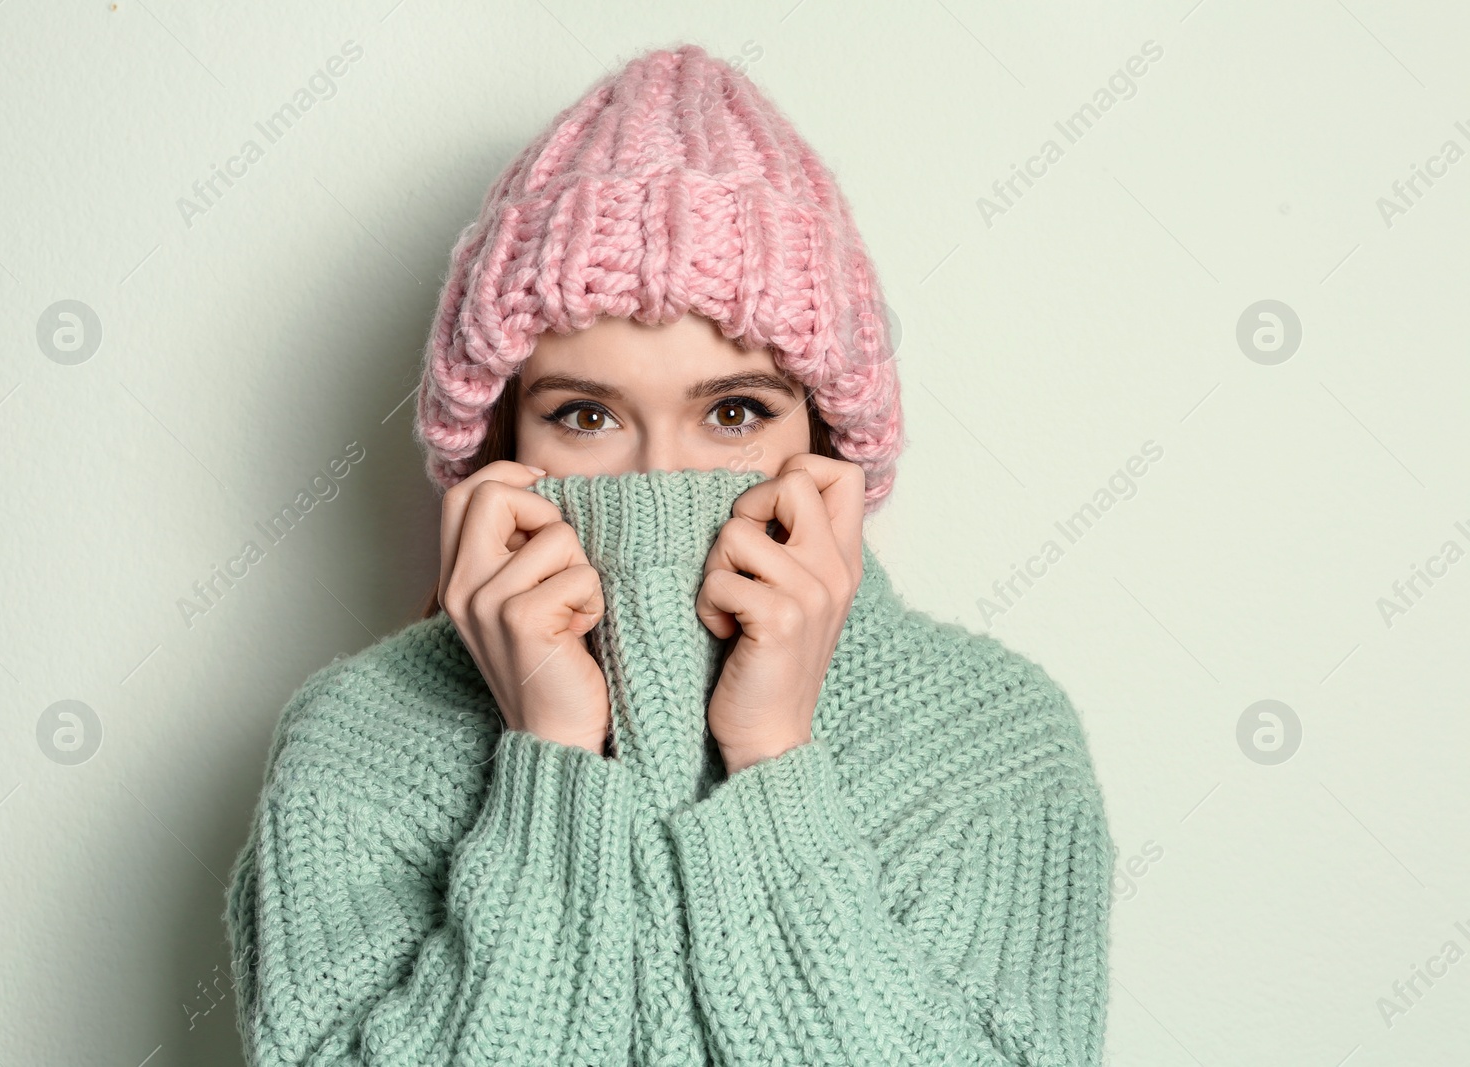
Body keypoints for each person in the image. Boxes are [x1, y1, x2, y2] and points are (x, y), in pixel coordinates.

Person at [225, 42, 1113, 1067]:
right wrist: (553, 757)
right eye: (586, 413)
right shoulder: (359, 742)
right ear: (501, 446)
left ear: (827, 438)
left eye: (733, 410)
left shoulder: (989, 740)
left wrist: (771, 757)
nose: (661, 480)